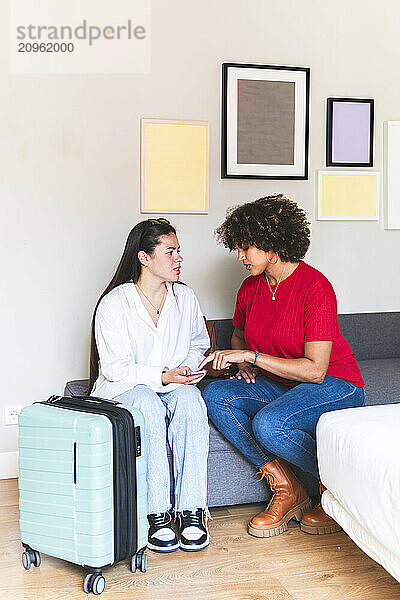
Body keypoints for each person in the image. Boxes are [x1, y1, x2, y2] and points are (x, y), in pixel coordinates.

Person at [200, 195, 365, 538]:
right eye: (238, 248)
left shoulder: (315, 288)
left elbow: (315, 370)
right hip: (281, 383)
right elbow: (239, 337)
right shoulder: (249, 288)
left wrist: (253, 358)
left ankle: (336, 492)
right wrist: (243, 361)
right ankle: (289, 488)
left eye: (246, 248)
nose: (240, 257)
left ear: (273, 245)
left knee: (270, 424)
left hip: (333, 383)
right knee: (215, 395)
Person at [88, 218, 211, 553]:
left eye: (178, 251)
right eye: (170, 252)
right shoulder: (115, 304)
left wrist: (185, 367)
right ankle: (156, 513)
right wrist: (163, 375)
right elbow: (115, 369)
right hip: (126, 389)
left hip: (173, 385)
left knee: (189, 400)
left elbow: (199, 342)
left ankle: (191, 511)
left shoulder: (185, 298)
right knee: (146, 402)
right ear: (144, 258)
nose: (179, 259)